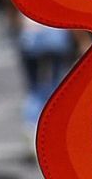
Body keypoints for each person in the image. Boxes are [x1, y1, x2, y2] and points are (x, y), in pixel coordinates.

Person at [14, 11, 76, 152]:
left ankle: (31, 126)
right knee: (57, 87)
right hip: (56, 37)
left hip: (29, 36)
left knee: (33, 88)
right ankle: (54, 131)